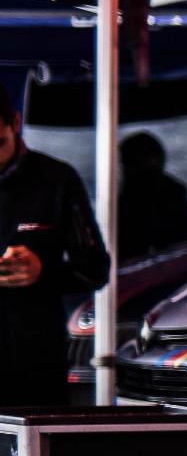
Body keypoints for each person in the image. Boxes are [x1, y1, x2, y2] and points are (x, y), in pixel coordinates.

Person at [0, 103, 112, 408]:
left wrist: (42, 272)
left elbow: (96, 269)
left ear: (15, 124)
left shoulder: (56, 179)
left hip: (35, 360)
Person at [118, 131, 187, 259]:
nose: (124, 169)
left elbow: (183, 242)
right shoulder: (127, 200)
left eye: (128, 163)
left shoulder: (170, 196)